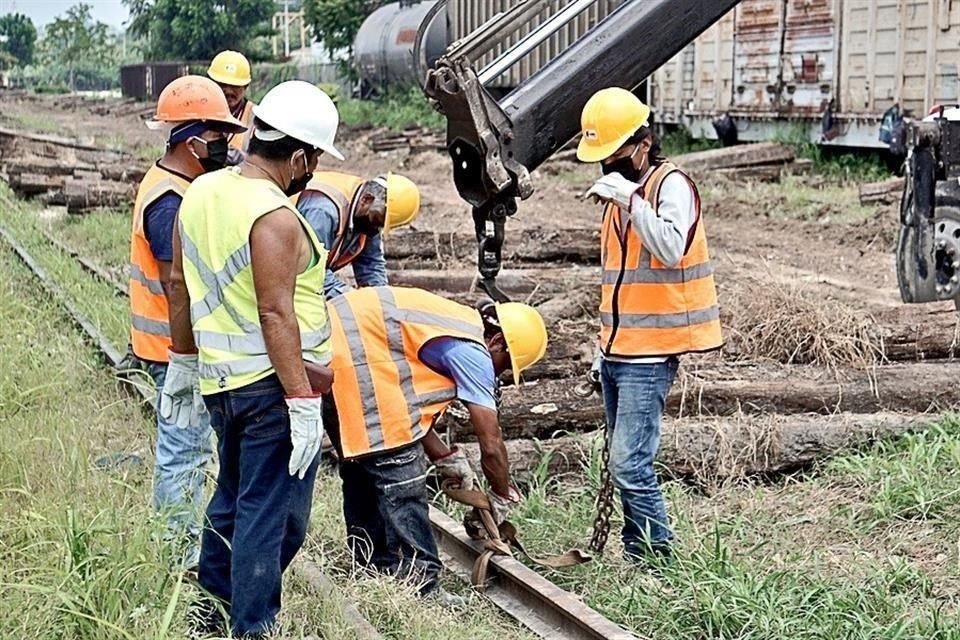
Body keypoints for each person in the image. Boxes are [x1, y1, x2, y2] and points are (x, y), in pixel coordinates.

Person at [163, 80, 344, 638]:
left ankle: (209, 617)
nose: (313, 170)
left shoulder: (200, 193)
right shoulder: (275, 216)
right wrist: (302, 402)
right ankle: (253, 626)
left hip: (223, 383)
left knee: (231, 501)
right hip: (274, 387)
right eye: (315, 159)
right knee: (273, 517)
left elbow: (178, 283)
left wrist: (184, 362)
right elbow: (275, 312)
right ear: (299, 156)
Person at [322, 285, 547, 598]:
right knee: (402, 477)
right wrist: (501, 495)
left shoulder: (454, 324)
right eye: (504, 366)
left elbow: (403, 396)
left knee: (363, 470)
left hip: (336, 359)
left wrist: (444, 457)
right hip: (355, 361)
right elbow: (491, 443)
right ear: (497, 341)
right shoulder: (473, 352)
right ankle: (422, 585)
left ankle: (371, 566)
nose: (498, 374)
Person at [577, 87, 723, 563]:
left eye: (615, 154)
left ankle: (659, 557)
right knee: (626, 463)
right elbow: (617, 283)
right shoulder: (621, 196)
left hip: (651, 353)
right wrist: (602, 348)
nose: (608, 165)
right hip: (618, 350)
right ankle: (637, 552)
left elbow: (671, 248)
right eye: (603, 158)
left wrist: (633, 200)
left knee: (630, 463)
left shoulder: (670, 186)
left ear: (643, 144)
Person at [129, 74, 246, 567]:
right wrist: (186, 358)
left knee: (190, 448)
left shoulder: (178, 186)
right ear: (190, 138)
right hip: (174, 349)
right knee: (185, 451)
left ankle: (180, 546)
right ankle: (176, 557)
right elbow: (178, 284)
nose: (225, 145)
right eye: (217, 135)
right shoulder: (170, 202)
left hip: (175, 345)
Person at [294, 171, 420, 298]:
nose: (377, 229)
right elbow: (310, 270)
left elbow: (371, 265)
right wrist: (352, 298)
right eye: (377, 220)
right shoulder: (323, 212)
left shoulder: (367, 212)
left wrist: (380, 300)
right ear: (366, 199)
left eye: (382, 225)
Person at [207, 50, 255, 163]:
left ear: (245, 87)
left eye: (235, 86)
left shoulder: (256, 119)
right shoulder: (200, 112)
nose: (228, 91)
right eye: (222, 85)